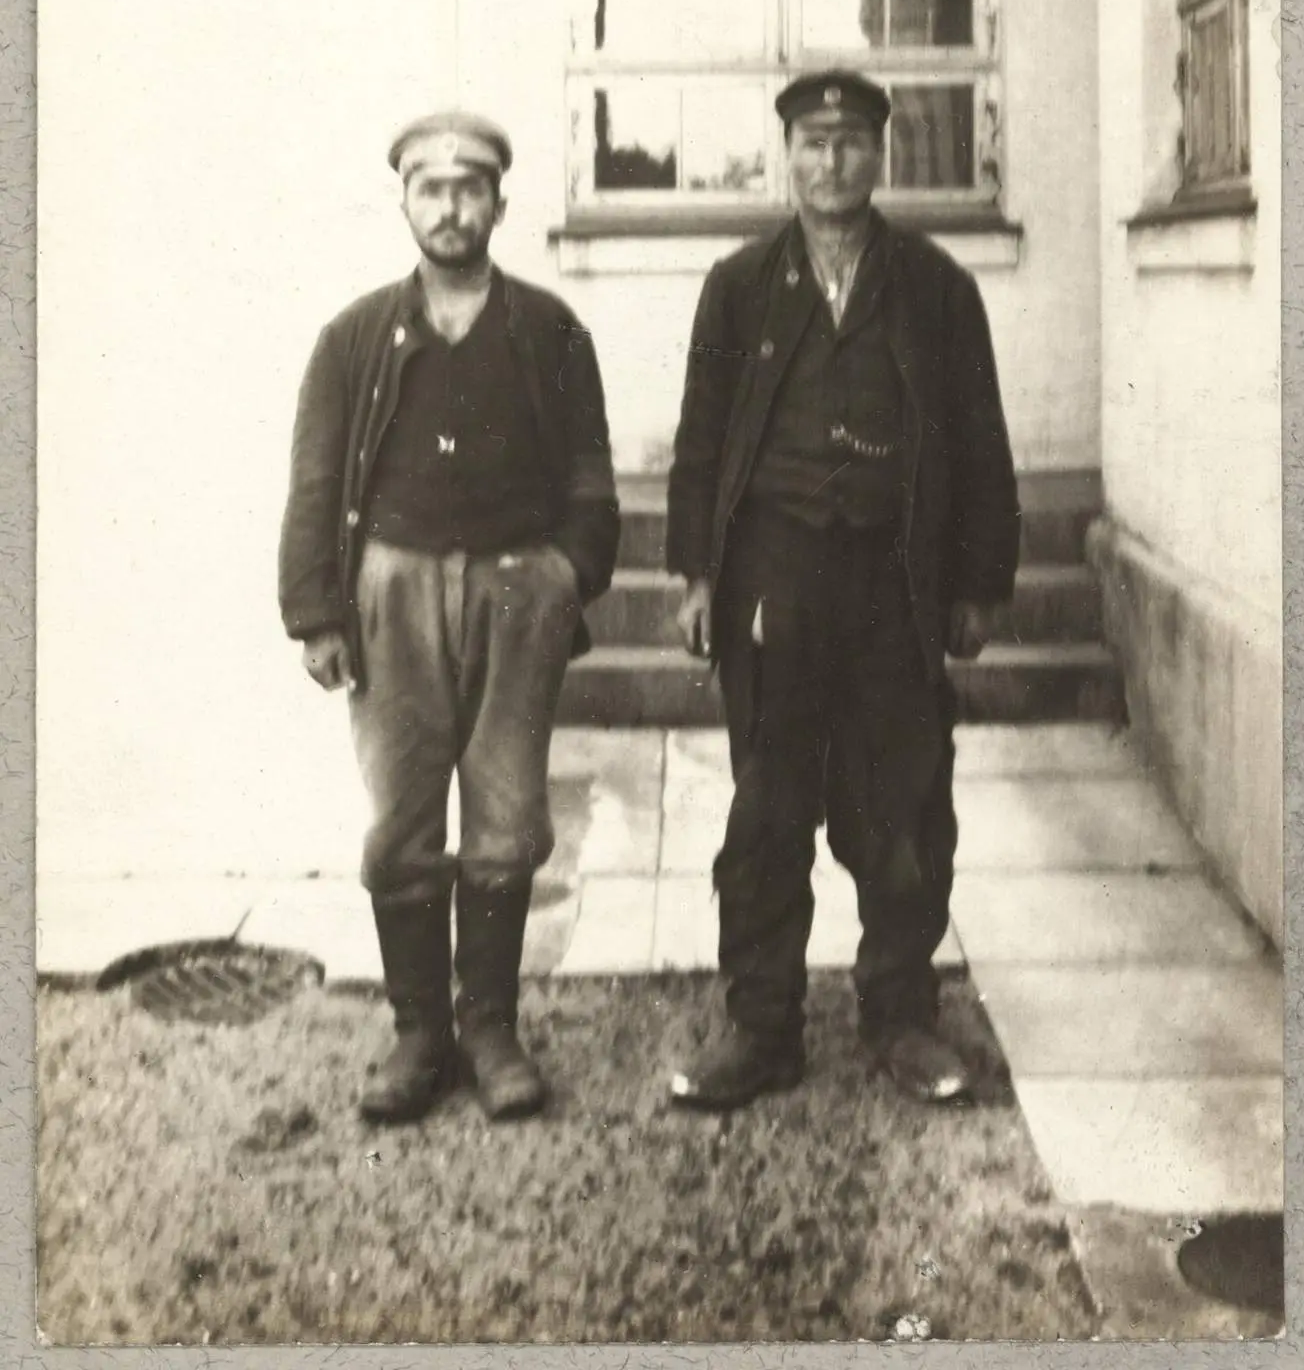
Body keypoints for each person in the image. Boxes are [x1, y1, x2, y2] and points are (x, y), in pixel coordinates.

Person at [665, 70, 1019, 1112]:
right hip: (772, 584)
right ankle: (761, 1025)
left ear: (880, 154)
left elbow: (981, 439)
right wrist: (696, 575)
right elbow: (700, 440)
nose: (832, 161)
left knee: (901, 804)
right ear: (787, 156)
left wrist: (978, 584)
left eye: (852, 141)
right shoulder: (738, 285)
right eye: (813, 143)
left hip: (892, 585)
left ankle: (900, 1016)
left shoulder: (935, 287)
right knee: (768, 809)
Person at [279, 113, 619, 1126]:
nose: (452, 207)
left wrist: (567, 574)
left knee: (508, 816)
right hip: (391, 597)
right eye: (432, 189)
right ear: (405, 202)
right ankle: (419, 1032)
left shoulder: (549, 331)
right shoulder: (354, 338)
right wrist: (315, 612)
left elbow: (591, 475)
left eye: (470, 189)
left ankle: (492, 1030)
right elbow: (315, 480)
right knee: (401, 821)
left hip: (517, 594)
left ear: (499, 204)